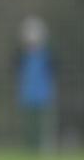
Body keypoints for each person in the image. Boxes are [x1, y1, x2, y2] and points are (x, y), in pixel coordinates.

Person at [16, 15, 56, 150]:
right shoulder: (22, 57)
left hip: (43, 96)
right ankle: (28, 148)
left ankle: (44, 149)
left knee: (43, 127)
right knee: (29, 126)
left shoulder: (47, 55)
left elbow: (53, 70)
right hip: (27, 96)